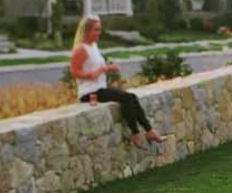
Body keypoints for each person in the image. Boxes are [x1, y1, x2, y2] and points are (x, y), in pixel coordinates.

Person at [71, 15, 165, 149]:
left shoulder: (93, 46)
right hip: (89, 92)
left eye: (99, 30)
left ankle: (149, 131)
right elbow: (74, 72)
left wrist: (108, 68)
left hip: (100, 88)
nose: (99, 33)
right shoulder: (81, 49)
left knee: (131, 97)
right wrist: (91, 74)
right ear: (87, 31)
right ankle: (136, 133)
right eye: (96, 30)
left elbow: (98, 68)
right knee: (127, 98)